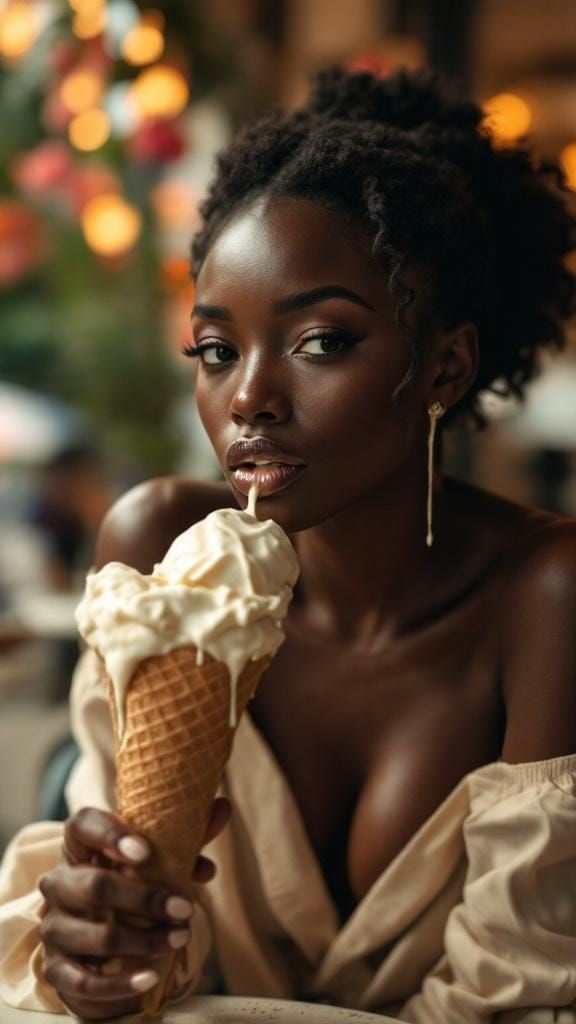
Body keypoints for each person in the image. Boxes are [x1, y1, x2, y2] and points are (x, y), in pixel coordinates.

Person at [1, 66, 576, 1023]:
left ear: (445, 366)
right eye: (218, 350)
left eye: (320, 341)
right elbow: (135, 969)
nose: (249, 401)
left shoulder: (547, 597)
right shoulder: (155, 544)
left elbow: (515, 1002)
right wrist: (99, 958)